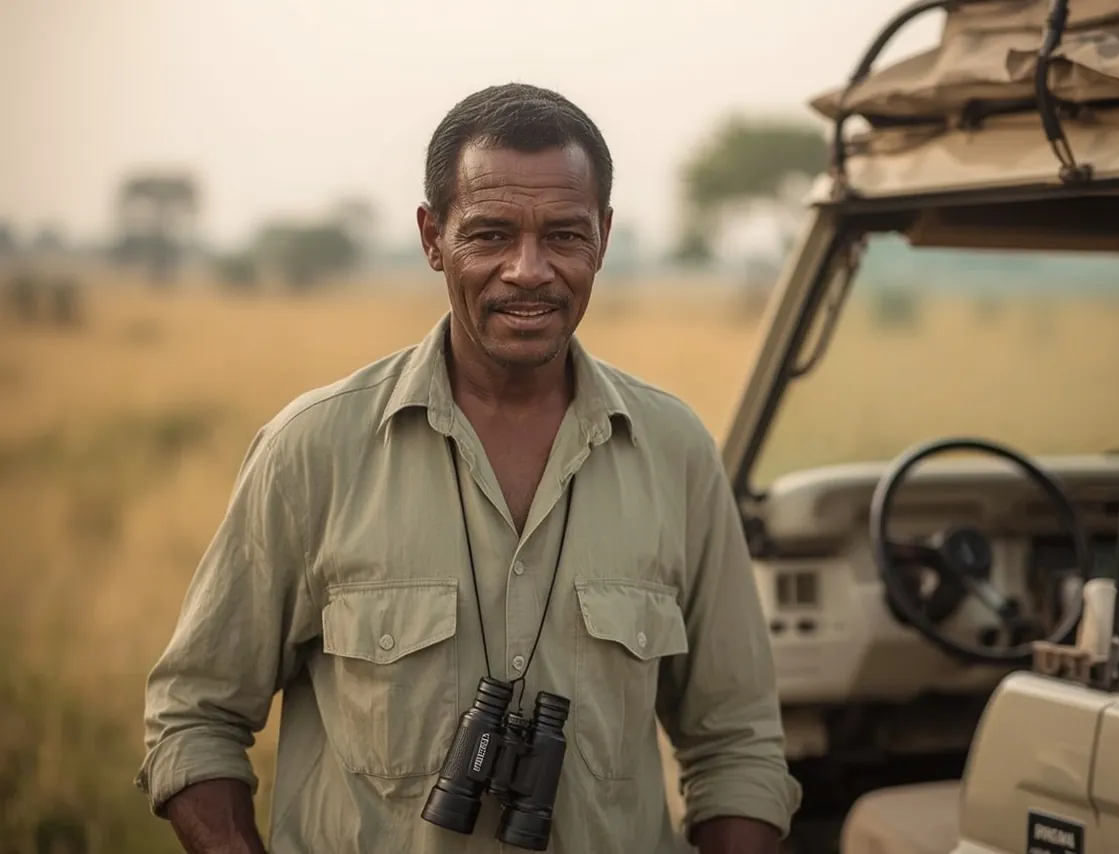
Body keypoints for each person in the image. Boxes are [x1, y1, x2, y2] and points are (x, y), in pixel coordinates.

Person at [135, 82, 802, 854]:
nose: (529, 270)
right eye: (488, 235)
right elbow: (194, 716)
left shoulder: (676, 450)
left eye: (564, 235)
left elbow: (738, 747)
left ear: (604, 238)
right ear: (431, 237)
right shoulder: (312, 449)